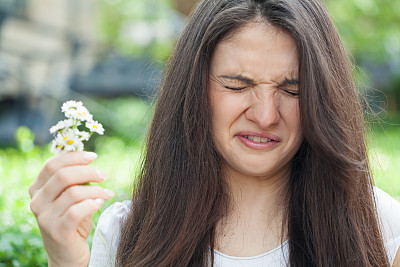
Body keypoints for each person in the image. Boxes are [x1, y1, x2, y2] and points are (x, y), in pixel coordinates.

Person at [29, 0, 400, 266]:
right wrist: (66, 260)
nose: (266, 115)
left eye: (292, 90)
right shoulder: (127, 232)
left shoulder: (381, 226)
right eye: (237, 85)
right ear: (193, 92)